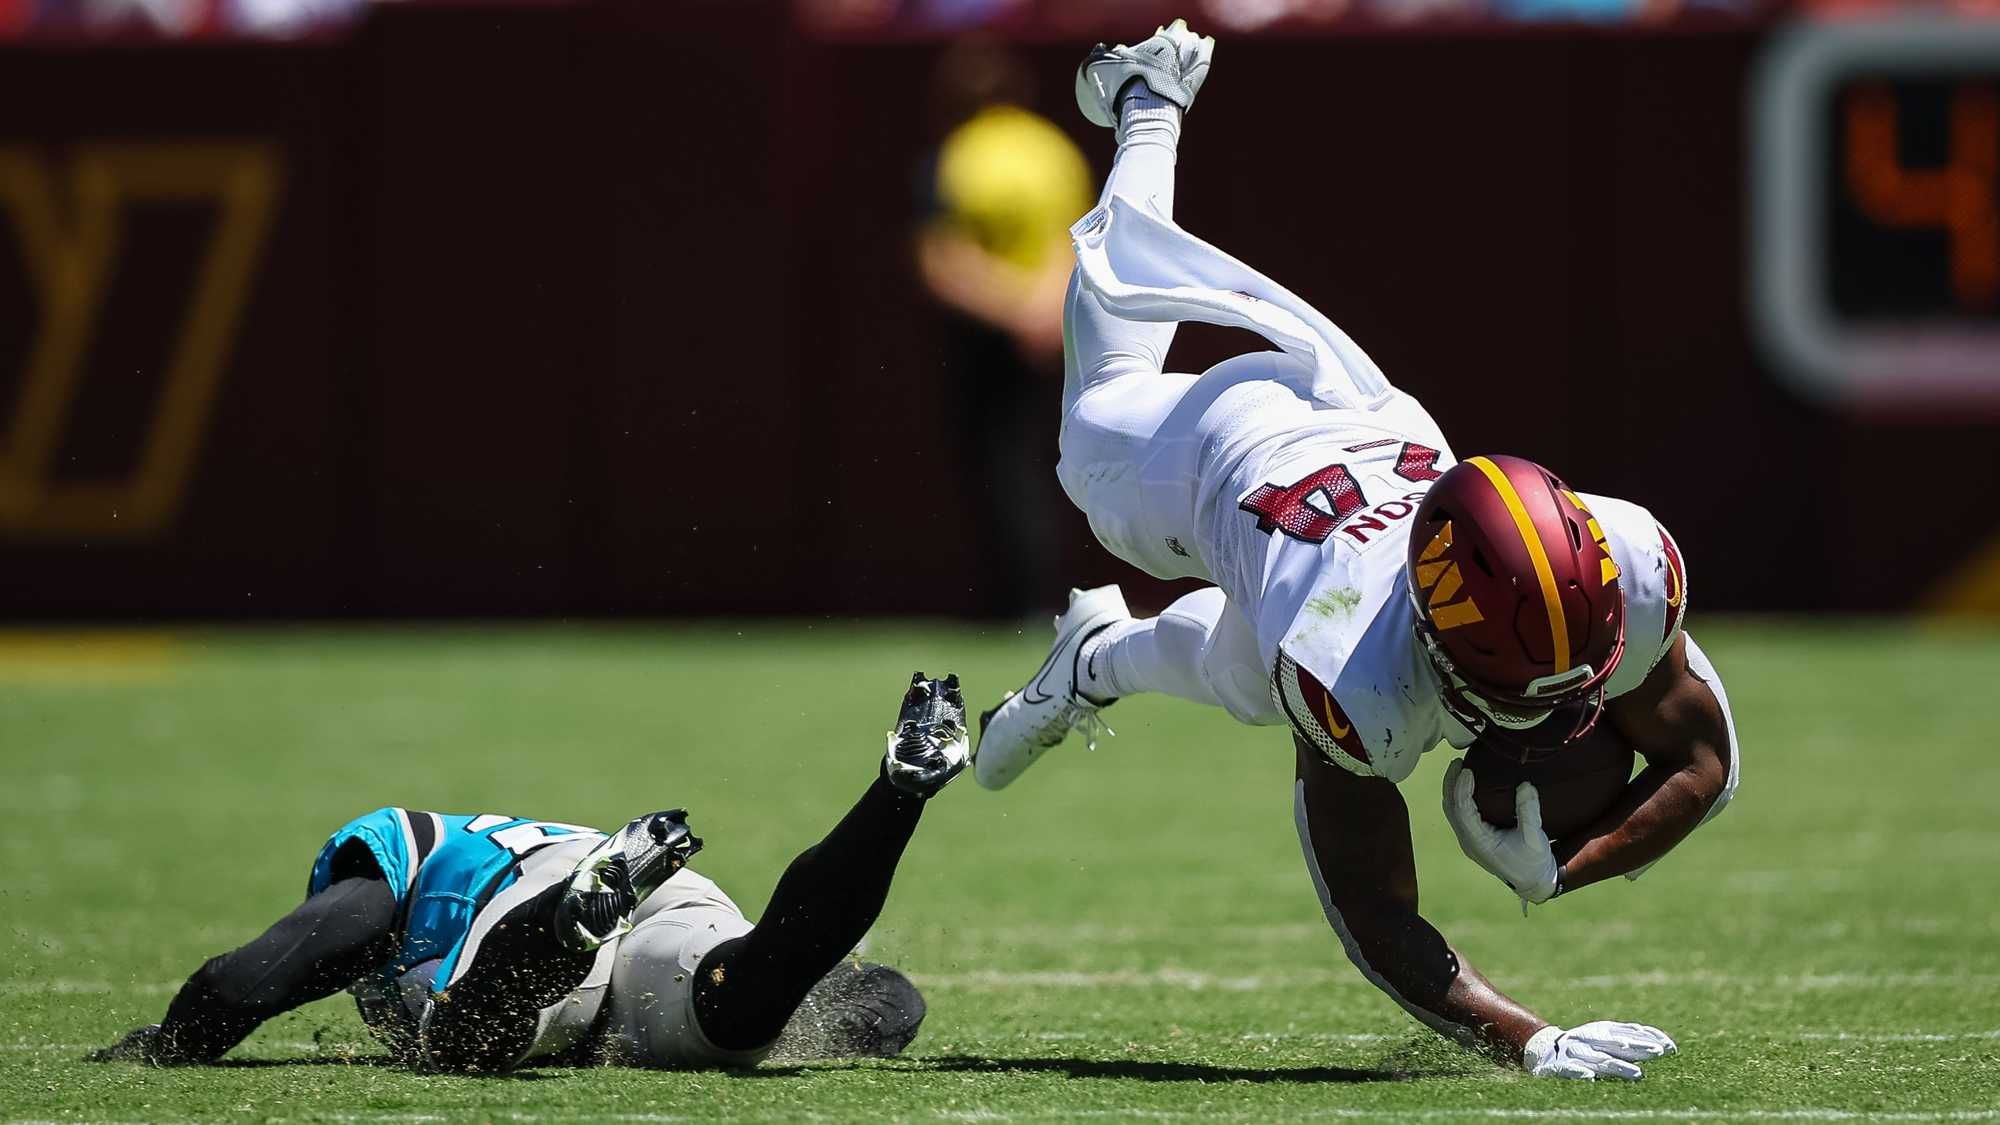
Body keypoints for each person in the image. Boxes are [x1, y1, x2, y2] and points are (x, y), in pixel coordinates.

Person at [973, 21, 1740, 1081]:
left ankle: (1093, 658)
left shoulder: (1627, 563)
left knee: (1249, 677)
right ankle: (1149, 104)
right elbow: (1374, 915)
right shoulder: (1345, 665)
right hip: (1220, 457)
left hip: (1371, 414)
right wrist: (1528, 1042)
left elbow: (1705, 759)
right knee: (1099, 411)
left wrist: (1568, 870)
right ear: (1429, 633)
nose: (1550, 726)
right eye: (1516, 698)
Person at [89, 673, 970, 1072]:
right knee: (744, 1001)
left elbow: (253, 976)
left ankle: (565, 923)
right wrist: (821, 998)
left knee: (464, 1036)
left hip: (537, 899)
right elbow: (894, 1001)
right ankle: (898, 791)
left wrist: (168, 1043)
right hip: (649, 897)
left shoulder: (399, 857)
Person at [915, 38, 1092, 617]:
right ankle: (1053, 596)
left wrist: (1012, 312)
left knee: (997, 466)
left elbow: (944, 262)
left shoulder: (954, 157)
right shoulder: (1053, 150)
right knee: (1057, 464)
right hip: (1054, 331)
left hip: (985, 336)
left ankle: (1014, 602)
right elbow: (1078, 243)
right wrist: (1041, 312)